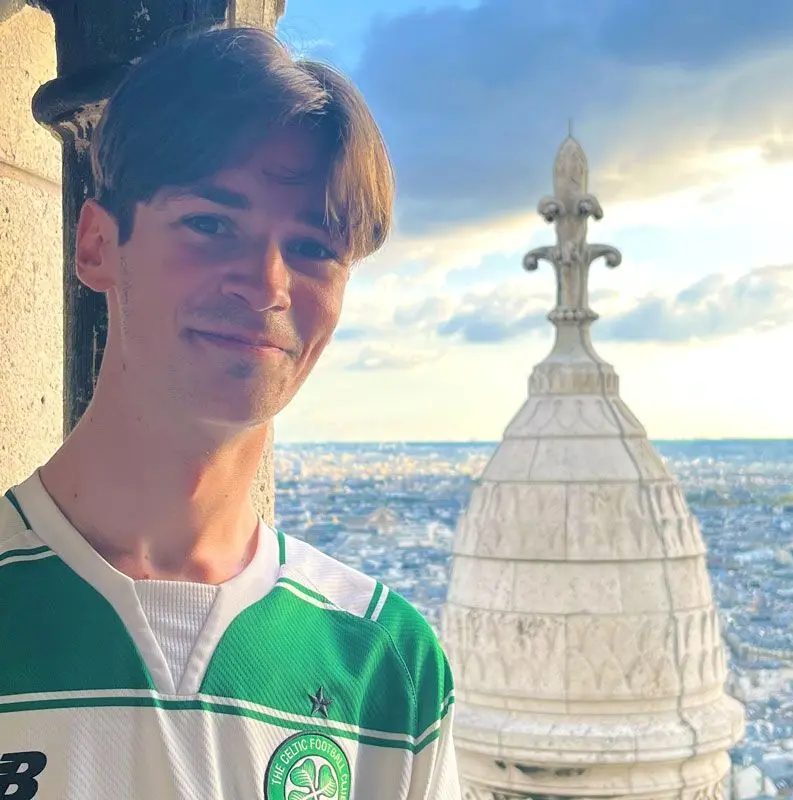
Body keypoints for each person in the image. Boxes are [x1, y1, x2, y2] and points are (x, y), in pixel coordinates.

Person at [0, 27, 460, 800]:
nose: (266, 283)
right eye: (211, 224)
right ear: (97, 246)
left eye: (315, 247)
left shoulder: (390, 667)